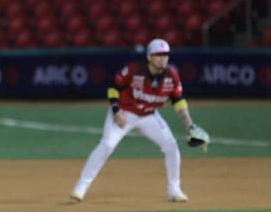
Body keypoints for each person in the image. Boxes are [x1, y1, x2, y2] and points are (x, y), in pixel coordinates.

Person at [71, 38, 205, 203]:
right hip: (125, 113)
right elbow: (114, 87)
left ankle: (174, 190)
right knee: (107, 145)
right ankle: (81, 187)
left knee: (171, 146)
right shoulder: (134, 70)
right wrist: (116, 110)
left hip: (149, 115)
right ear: (149, 57)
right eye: (159, 55)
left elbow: (178, 101)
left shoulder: (172, 76)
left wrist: (189, 125)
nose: (163, 58)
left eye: (166, 55)